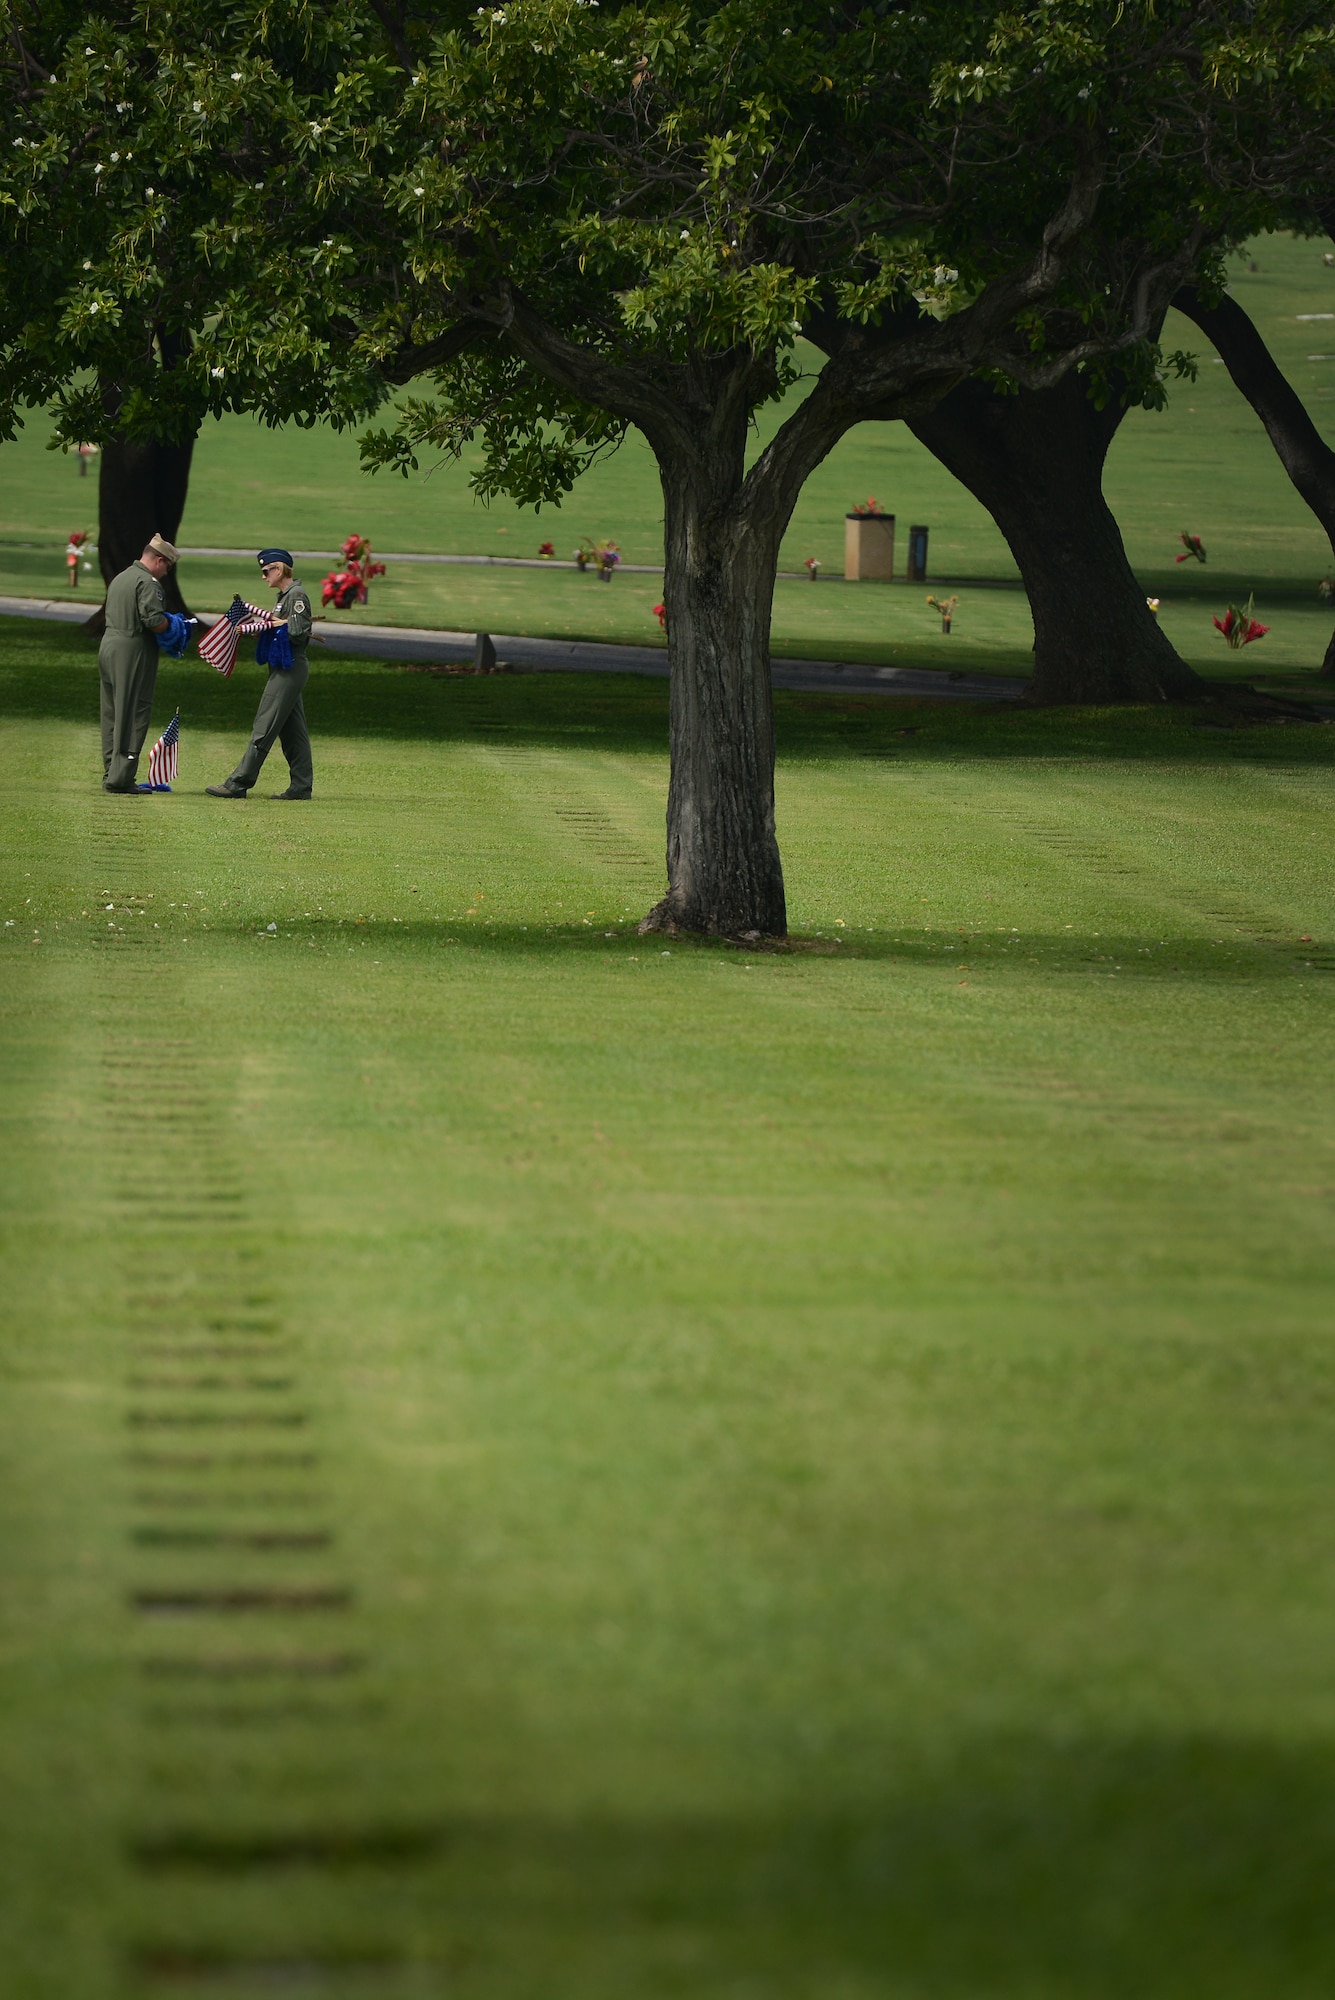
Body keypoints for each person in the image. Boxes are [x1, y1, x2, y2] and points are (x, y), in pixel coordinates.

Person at [206, 549, 313, 800]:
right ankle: (301, 786)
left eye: (266, 571)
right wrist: (266, 629)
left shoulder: (296, 596)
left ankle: (239, 782)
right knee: (293, 731)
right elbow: (283, 628)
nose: (264, 576)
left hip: (291, 667)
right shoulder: (283, 597)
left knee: (264, 725)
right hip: (283, 666)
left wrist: (269, 627)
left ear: (279, 569)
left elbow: (297, 632)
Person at [99, 534, 176, 792]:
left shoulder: (121, 578)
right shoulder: (147, 582)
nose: (166, 572)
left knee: (111, 712)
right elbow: (154, 621)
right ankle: (122, 778)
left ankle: (111, 771)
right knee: (134, 712)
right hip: (133, 649)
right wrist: (175, 626)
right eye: (167, 566)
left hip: (109, 644)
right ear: (159, 559)